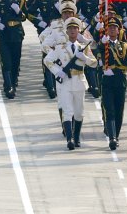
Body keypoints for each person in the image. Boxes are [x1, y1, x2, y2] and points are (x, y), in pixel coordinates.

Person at [44, 8, 98, 149]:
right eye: (70, 29)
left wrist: (84, 58)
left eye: (75, 28)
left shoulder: (84, 48)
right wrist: (57, 71)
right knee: (67, 111)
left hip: (79, 81)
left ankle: (77, 136)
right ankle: (69, 139)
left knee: (79, 112)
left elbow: (94, 63)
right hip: (66, 82)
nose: (73, 31)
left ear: (78, 31)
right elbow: (48, 60)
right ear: (66, 32)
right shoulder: (60, 48)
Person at [96, 9, 127, 149]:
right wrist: (101, 46)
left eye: (114, 27)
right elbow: (97, 57)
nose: (111, 29)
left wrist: (115, 68)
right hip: (107, 81)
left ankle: (116, 132)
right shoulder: (103, 45)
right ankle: (112, 137)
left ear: (118, 30)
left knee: (119, 109)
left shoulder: (124, 46)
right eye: (109, 27)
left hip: (120, 79)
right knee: (108, 109)